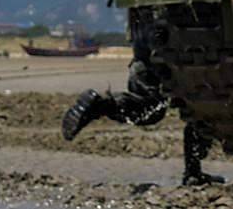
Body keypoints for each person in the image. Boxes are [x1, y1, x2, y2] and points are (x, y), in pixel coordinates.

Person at [61, 45, 216, 186]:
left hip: (150, 58)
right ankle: (193, 173)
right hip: (198, 59)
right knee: (203, 112)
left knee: (150, 108)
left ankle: (101, 105)